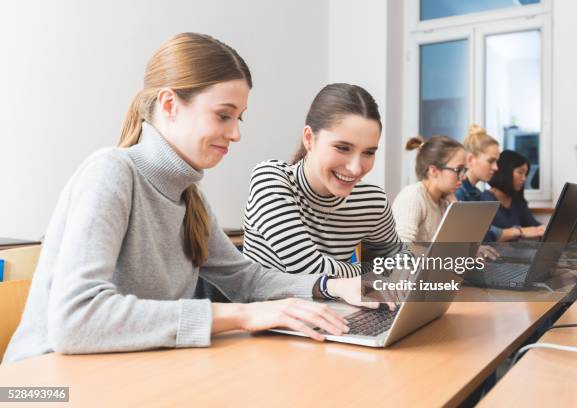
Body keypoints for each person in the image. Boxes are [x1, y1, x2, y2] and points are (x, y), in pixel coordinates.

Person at [2, 33, 385, 365]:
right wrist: (241, 317)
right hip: (41, 385)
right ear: (169, 105)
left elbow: (244, 277)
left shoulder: (189, 196)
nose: (235, 134)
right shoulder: (111, 172)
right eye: (223, 116)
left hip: (124, 372)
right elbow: (77, 321)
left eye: (240, 118)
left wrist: (332, 287)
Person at [242, 83, 401, 278]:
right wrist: (373, 272)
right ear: (309, 138)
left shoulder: (371, 201)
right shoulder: (271, 179)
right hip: (267, 307)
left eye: (368, 152)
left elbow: (400, 264)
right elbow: (308, 269)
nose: (356, 168)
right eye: (342, 148)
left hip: (337, 307)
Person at [392, 135, 466, 243]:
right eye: (458, 169)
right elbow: (401, 250)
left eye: (464, 170)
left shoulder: (443, 202)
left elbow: (456, 243)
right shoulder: (412, 196)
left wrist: (455, 207)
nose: (463, 176)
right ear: (433, 171)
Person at [456, 124, 519, 242]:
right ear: (470, 160)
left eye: (497, 162)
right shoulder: (458, 194)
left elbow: (483, 234)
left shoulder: (476, 194)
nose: (496, 168)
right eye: (491, 161)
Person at [480, 150, 545, 240]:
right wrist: (522, 231)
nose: (524, 179)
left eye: (525, 174)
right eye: (520, 172)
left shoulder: (517, 201)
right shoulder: (484, 200)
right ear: (505, 171)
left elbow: (533, 225)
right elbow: (489, 236)